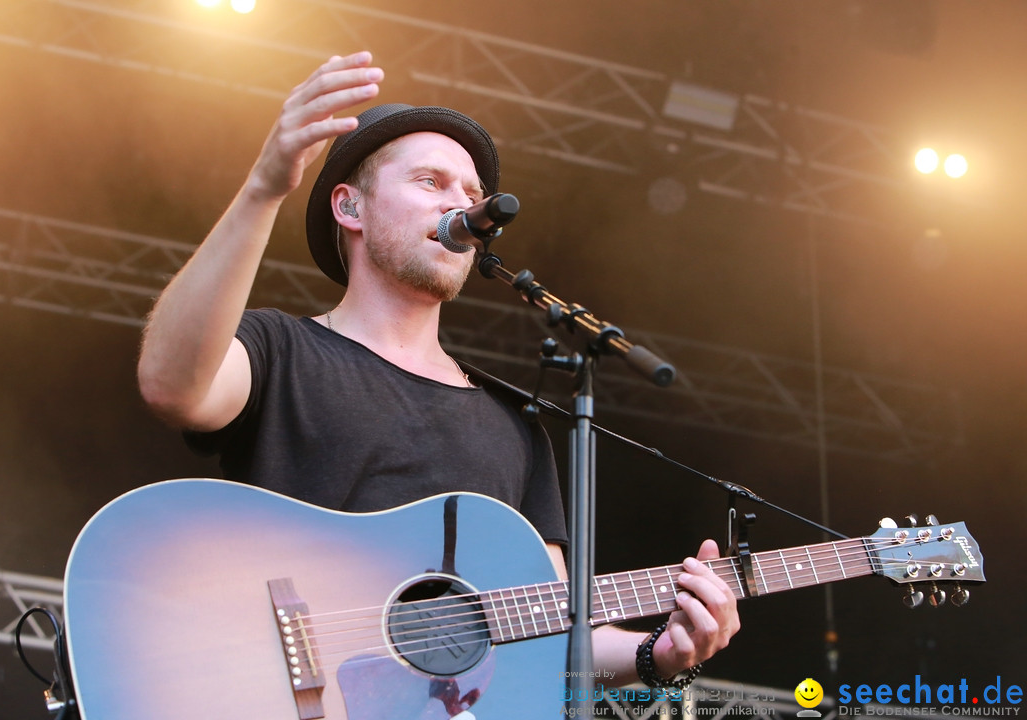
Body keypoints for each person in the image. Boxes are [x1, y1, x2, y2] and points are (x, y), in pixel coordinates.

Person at [136, 51, 739, 696]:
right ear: (350, 207)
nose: (465, 205)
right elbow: (174, 387)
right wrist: (264, 188)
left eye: (472, 193)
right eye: (431, 181)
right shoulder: (280, 349)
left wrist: (659, 654)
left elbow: (548, 634)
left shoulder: (513, 425)